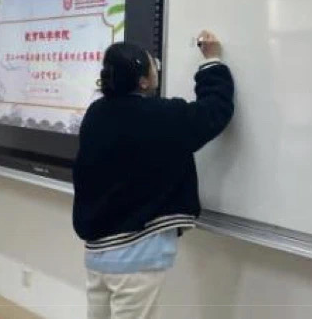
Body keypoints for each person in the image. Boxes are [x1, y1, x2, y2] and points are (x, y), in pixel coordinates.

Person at [73, 31, 235, 318]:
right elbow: (214, 111)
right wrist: (212, 61)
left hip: (98, 254)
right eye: (153, 65)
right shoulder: (161, 116)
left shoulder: (96, 113)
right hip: (135, 255)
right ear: (143, 81)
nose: (157, 68)